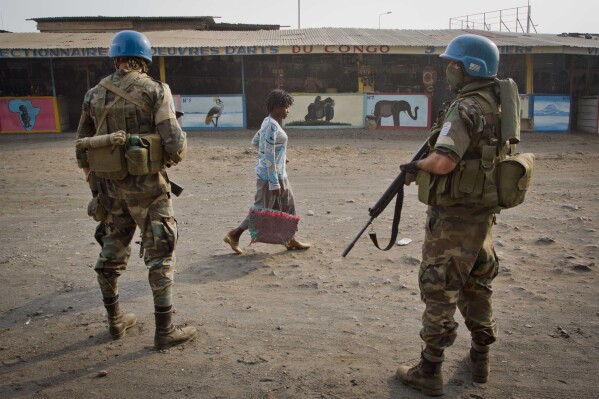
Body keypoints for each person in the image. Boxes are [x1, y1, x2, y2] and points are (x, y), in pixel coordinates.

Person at [395, 34, 508, 396]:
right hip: (483, 215)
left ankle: (429, 371)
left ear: (468, 68)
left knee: (439, 289)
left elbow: (443, 160)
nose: (448, 70)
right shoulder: (498, 102)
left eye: (453, 64)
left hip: (455, 220)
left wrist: (416, 164)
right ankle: (480, 361)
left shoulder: (465, 107)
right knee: (478, 286)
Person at [75, 30, 197, 350]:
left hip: (109, 191)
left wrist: (96, 184)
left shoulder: (93, 94)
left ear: (116, 58)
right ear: (144, 60)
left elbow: (81, 148)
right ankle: (165, 330)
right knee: (160, 253)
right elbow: (175, 144)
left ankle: (115, 322)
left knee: (111, 253)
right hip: (149, 191)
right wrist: (167, 156)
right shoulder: (156, 90)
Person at [224, 89, 310, 255]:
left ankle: (290, 238)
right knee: (260, 209)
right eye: (286, 107)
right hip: (270, 177)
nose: (288, 110)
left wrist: (280, 156)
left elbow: (256, 143)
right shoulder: (270, 125)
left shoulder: (269, 122)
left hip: (279, 173)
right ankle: (234, 234)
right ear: (277, 107)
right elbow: (267, 151)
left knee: (289, 205)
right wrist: (274, 182)